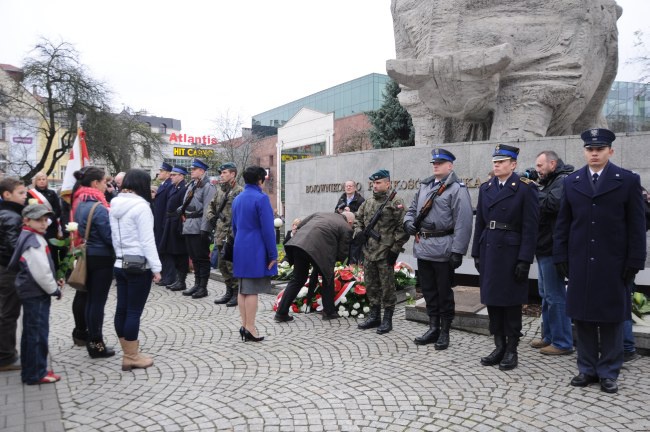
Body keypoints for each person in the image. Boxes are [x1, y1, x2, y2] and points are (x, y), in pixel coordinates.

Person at [554, 128, 646, 394]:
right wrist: (561, 255)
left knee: (611, 319)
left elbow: (636, 226)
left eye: (600, 149)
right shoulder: (572, 182)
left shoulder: (627, 180)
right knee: (582, 317)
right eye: (590, 149)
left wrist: (634, 261)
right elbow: (564, 224)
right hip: (580, 260)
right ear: (584, 152)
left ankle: (608, 371)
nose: (594, 153)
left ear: (610, 151)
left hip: (613, 262)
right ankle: (587, 368)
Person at [472, 144, 539, 371]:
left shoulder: (525, 188)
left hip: (511, 252)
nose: (497, 164)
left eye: (502, 161)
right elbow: (480, 222)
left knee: (510, 303)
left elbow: (531, 227)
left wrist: (525, 259)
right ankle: (498, 345)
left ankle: (511, 349)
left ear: (514, 164)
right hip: (489, 249)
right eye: (495, 161)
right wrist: (476, 253)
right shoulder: (486, 187)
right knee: (492, 301)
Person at [403, 149, 473, 350]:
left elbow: (464, 221)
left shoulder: (457, 189)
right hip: (423, 246)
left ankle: (444, 331)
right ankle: (433, 327)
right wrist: (408, 223)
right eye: (434, 162)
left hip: (443, 248)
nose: (435, 165)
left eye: (440, 163)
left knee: (444, 292)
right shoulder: (425, 186)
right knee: (428, 291)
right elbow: (412, 209)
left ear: (450, 166)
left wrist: (458, 250)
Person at [109, 169, 162, 371]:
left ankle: (128, 352)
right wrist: (156, 268)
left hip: (120, 262)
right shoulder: (142, 207)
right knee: (133, 311)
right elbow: (147, 241)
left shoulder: (114, 204)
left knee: (121, 309)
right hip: (139, 264)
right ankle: (131, 355)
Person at [9, 204, 64, 384]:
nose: (43, 224)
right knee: (37, 334)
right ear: (26, 221)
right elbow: (40, 272)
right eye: (38, 220)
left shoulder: (30, 236)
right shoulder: (33, 241)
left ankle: (30, 370)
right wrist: (53, 289)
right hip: (35, 293)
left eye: (44, 220)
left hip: (30, 291)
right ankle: (36, 373)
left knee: (31, 332)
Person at [529, 151, 574, 355]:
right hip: (543, 246)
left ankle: (562, 342)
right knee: (546, 295)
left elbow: (552, 204)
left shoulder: (562, 181)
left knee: (555, 296)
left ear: (552, 164)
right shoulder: (549, 181)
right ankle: (549, 336)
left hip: (552, 248)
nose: (537, 170)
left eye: (540, 166)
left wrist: (532, 191)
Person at [354, 169, 409, 334]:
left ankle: (387, 319)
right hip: (369, 251)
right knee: (371, 285)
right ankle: (374, 316)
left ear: (388, 183)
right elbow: (358, 219)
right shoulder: (368, 202)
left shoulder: (396, 203)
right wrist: (359, 233)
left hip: (385, 252)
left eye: (378, 183)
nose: (375, 186)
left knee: (387, 287)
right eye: (373, 183)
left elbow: (403, 228)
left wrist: (395, 249)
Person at [275, 212, 355, 322]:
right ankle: (329, 312)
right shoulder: (346, 227)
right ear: (350, 222)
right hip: (317, 250)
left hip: (298, 245)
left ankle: (281, 313)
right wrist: (334, 262)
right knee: (328, 278)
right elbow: (342, 253)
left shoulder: (320, 214)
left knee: (297, 279)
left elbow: (300, 225)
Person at [72, 167, 115, 359]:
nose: (107, 185)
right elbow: (109, 237)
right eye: (104, 182)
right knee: (97, 302)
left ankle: (90, 338)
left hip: (88, 254)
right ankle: (96, 343)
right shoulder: (98, 207)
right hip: (102, 258)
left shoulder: (80, 203)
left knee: (90, 300)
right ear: (95, 183)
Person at [231, 166, 278, 342]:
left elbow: (234, 226)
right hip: (256, 247)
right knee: (252, 290)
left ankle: (245, 325)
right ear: (261, 180)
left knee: (243, 288)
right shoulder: (261, 198)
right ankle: (250, 327)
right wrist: (273, 254)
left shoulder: (237, 198)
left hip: (240, 245)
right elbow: (267, 229)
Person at [206, 162, 243, 306]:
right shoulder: (219, 191)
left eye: (225, 173)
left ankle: (236, 293)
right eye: (221, 173)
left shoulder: (239, 191)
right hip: (220, 233)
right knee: (221, 265)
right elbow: (210, 206)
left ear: (233, 174)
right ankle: (228, 291)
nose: (222, 175)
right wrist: (211, 217)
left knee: (231, 264)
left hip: (232, 234)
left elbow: (240, 214)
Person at [180, 158, 217, 299]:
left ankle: (203, 287)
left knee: (202, 258)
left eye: (194, 169)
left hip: (199, 226)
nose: (191, 171)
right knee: (194, 257)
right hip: (189, 225)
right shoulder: (192, 185)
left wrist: (205, 229)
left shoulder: (208, 186)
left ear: (202, 171)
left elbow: (208, 208)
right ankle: (196, 284)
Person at [0, 177, 27, 372]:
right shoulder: (11, 216)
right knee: (8, 313)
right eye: (21, 193)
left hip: (4, 269)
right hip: (8, 271)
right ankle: (6, 357)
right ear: (7, 195)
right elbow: (13, 247)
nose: (25, 197)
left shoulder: (8, 213)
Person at [161, 166, 190, 292]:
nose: (171, 177)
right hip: (170, 223)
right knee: (173, 253)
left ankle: (181, 281)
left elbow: (182, 208)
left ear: (181, 176)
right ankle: (178, 280)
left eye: (174, 175)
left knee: (180, 253)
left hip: (177, 224)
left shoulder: (183, 189)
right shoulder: (174, 188)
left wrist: (179, 225)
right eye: (171, 175)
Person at [26, 172, 63, 268]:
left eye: (44, 179)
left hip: (51, 227)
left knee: (52, 250)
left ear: (47, 180)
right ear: (36, 181)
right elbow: (27, 209)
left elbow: (57, 209)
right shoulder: (30, 194)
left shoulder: (52, 193)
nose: (42, 181)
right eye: (39, 179)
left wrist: (50, 220)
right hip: (37, 226)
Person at [153, 162, 176, 287]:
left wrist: (163, 223)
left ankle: (169, 276)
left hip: (163, 223)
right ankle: (164, 275)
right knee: (161, 250)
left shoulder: (168, 185)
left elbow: (167, 206)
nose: (159, 173)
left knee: (165, 251)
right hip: (158, 223)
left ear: (167, 173)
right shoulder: (164, 185)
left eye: (162, 171)